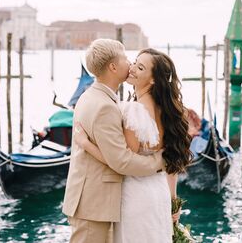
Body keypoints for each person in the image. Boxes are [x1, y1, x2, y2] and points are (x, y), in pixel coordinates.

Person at [74, 48, 192, 243]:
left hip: (137, 195)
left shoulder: (135, 111)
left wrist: (85, 144)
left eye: (140, 67)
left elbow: (123, 162)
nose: (132, 68)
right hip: (159, 191)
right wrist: (173, 201)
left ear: (153, 80)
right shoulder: (167, 111)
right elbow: (170, 161)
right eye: (135, 62)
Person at [62, 39, 166, 243]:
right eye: (126, 58)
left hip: (94, 201)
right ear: (113, 66)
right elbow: (122, 161)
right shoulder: (104, 106)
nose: (130, 64)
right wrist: (160, 162)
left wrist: (86, 145)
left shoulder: (92, 96)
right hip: (93, 204)